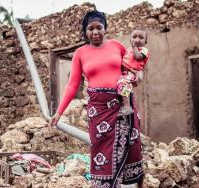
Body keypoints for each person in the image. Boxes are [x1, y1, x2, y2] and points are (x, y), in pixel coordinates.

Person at [48, 10, 145, 188]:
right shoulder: (80, 53)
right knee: (101, 150)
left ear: (105, 28)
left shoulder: (117, 46)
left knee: (132, 146)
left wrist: (139, 75)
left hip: (124, 104)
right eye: (90, 28)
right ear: (85, 32)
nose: (95, 32)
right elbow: (72, 85)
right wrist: (59, 112)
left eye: (99, 27)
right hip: (99, 110)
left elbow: (133, 66)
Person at [117, 29, 149, 116]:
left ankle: (127, 107)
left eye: (141, 38)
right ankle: (123, 104)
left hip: (133, 74)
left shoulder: (143, 50)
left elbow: (138, 57)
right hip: (125, 74)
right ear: (130, 39)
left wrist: (134, 47)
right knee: (120, 84)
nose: (137, 40)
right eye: (134, 37)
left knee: (122, 82)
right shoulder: (128, 50)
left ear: (145, 42)